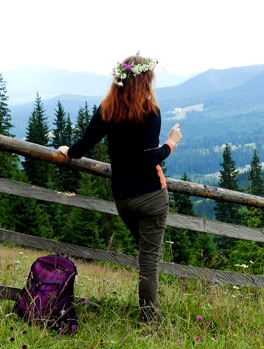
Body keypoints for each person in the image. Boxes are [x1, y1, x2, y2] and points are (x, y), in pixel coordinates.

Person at [58, 53, 182, 323]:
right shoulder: (150, 110)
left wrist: (68, 152)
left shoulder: (108, 109)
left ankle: (154, 307)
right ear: (146, 79)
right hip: (151, 195)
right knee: (149, 262)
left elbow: (82, 147)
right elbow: (150, 156)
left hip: (123, 198)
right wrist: (172, 142)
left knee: (147, 253)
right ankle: (150, 320)